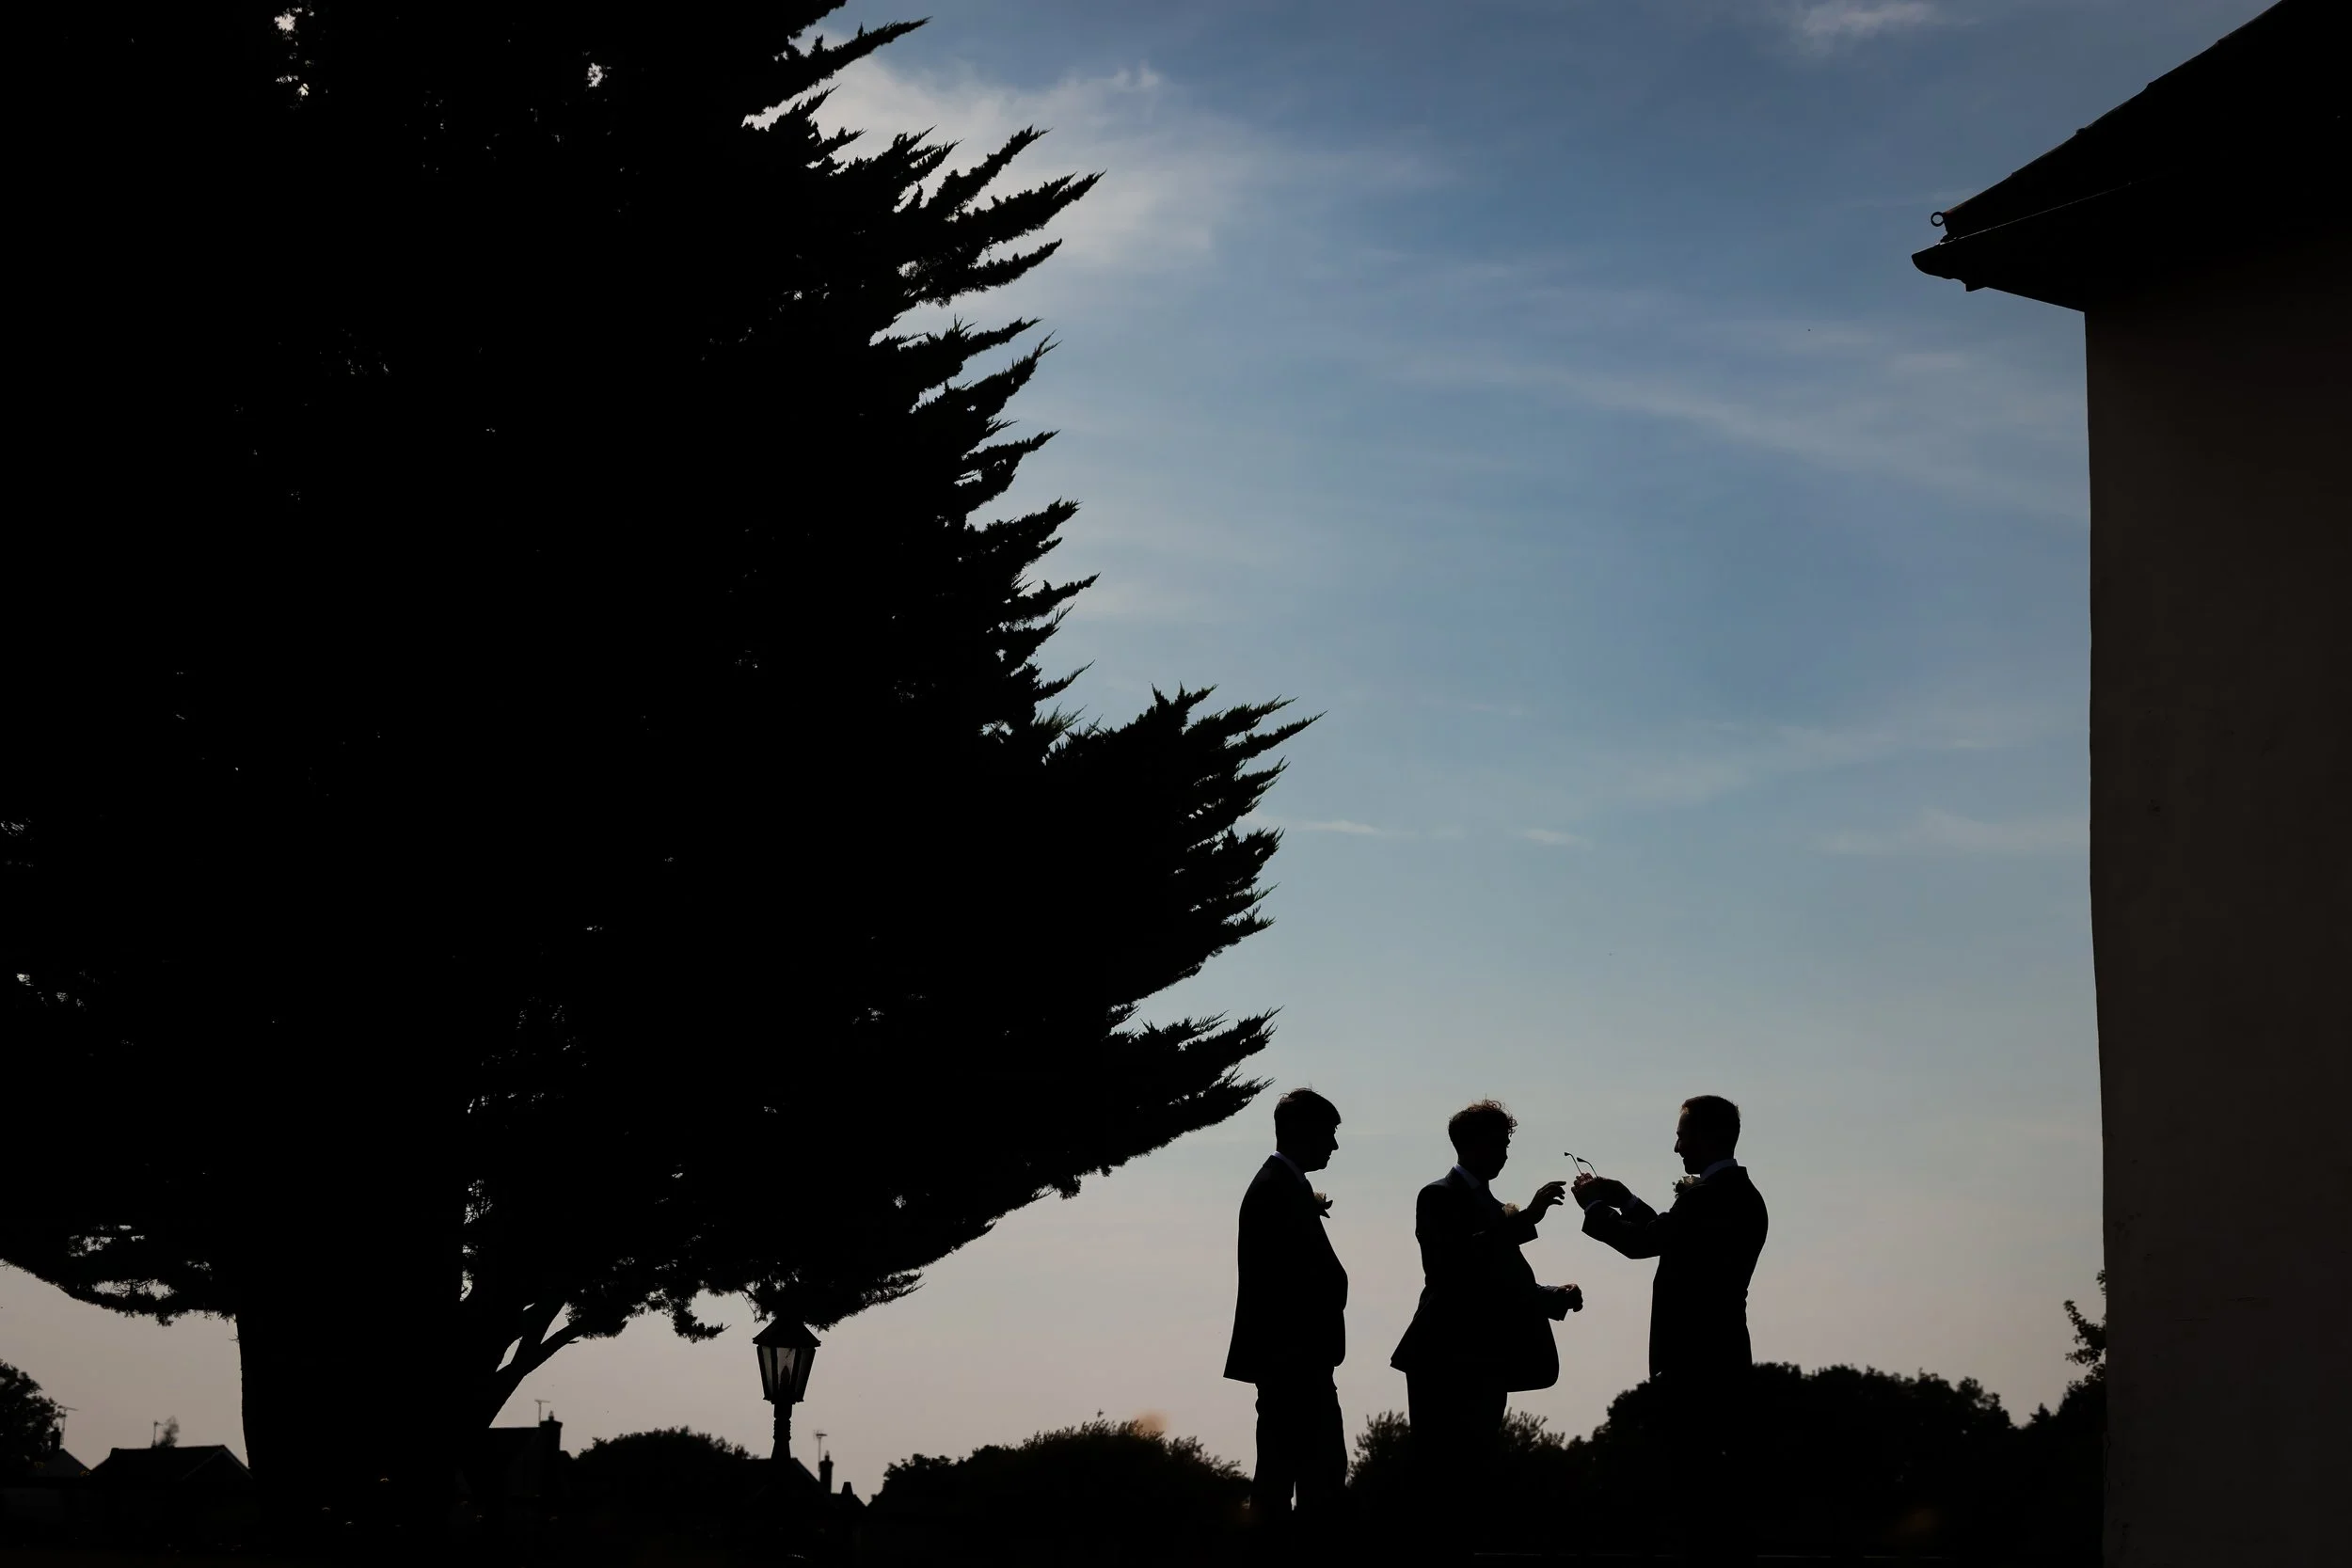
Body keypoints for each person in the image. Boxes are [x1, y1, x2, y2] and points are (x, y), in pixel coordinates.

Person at [1572, 1094, 1768, 1568]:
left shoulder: (1706, 1197)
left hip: (1693, 1363)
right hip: (1725, 1356)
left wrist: (1595, 1207)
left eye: (1682, 1135)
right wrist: (1624, 1198)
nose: (1676, 1148)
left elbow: (1646, 1243)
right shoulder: (1740, 1195)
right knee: (1712, 1484)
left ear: (1706, 1135)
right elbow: (1671, 1233)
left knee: (1693, 1488)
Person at [1390, 1100, 1581, 1557]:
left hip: (1485, 1361)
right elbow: (1449, 1266)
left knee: (1474, 1476)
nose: (1504, 1155)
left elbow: (1506, 1284)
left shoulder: (1491, 1206)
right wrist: (1524, 1220)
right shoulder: (1438, 1196)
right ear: (1469, 1145)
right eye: (1498, 1145)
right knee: (1438, 1475)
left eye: (1507, 1145)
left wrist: (1552, 1295)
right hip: (1443, 1358)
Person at [1224, 1087, 1350, 1541]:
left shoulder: (1281, 1186)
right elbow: (1286, 1281)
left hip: (1295, 1359)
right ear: (1300, 1131)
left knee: (1297, 1472)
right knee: (1312, 1474)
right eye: (1329, 1133)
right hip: (1293, 1360)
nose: (1334, 1145)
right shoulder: (1276, 1189)